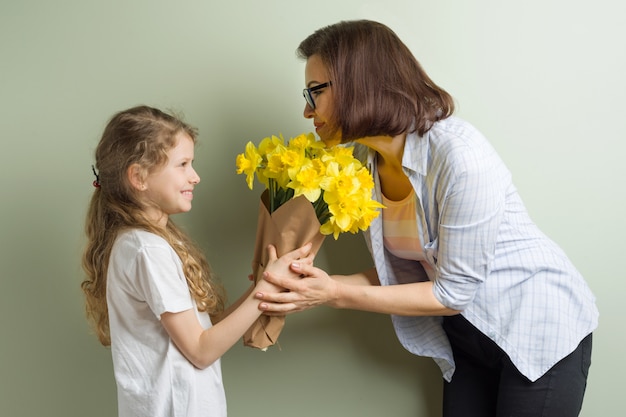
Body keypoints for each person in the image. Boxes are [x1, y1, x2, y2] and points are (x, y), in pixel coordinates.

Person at [257, 20, 599, 417]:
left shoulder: (460, 157)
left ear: (360, 82)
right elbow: (405, 277)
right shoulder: (365, 168)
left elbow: (452, 292)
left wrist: (333, 294)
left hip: (538, 328)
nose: (306, 110)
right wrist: (307, 287)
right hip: (469, 336)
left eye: (315, 92)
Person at [81, 105, 313, 417]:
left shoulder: (149, 242)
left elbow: (204, 330)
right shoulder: (147, 250)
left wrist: (262, 289)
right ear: (139, 176)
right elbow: (201, 351)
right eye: (183, 164)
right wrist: (268, 285)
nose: (195, 176)